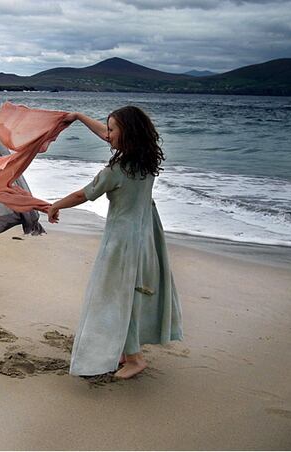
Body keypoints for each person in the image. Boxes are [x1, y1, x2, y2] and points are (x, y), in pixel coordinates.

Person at [47, 106, 182, 379]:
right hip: (147, 234)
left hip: (122, 240)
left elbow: (84, 194)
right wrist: (79, 117)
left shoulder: (117, 169)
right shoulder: (146, 161)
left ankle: (134, 358)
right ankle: (125, 349)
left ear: (127, 134)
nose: (106, 135)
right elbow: (106, 135)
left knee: (115, 296)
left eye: (111, 129)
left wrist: (55, 206)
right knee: (129, 292)